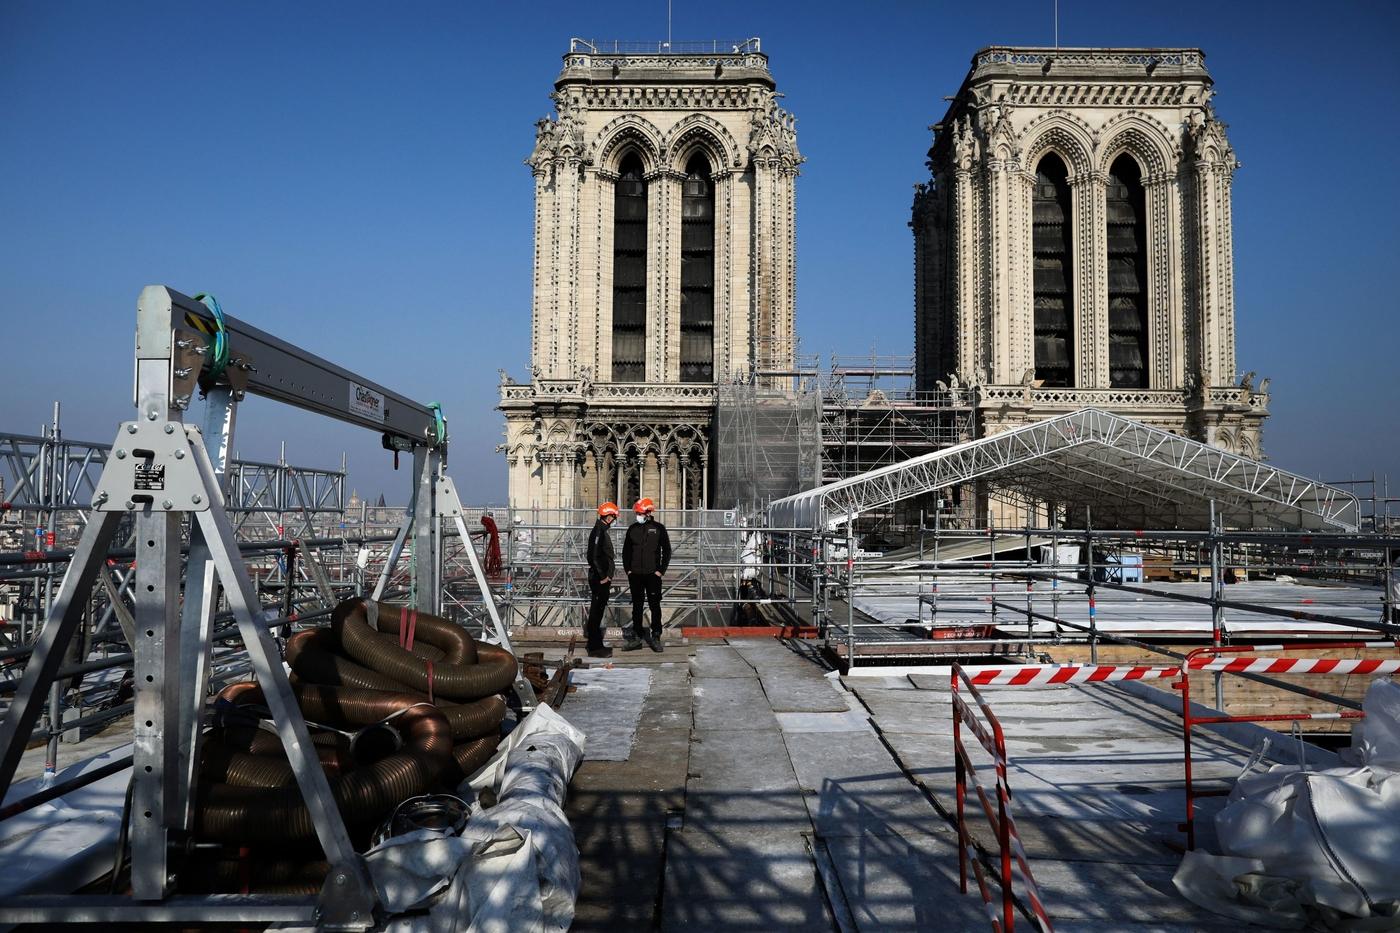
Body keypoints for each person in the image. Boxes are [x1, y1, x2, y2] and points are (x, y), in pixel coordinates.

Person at [622, 497, 670, 652]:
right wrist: (628, 570)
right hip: (635, 574)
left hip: (652, 575)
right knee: (637, 605)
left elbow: (667, 551)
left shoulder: (659, 528)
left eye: (640, 513)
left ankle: (656, 636)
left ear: (648, 512)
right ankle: (637, 636)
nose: (638, 515)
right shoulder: (632, 529)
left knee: (654, 605)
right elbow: (626, 551)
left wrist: (660, 571)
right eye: (637, 513)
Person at [584, 502, 619, 658]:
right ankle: (594, 646)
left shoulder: (602, 530)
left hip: (602, 578)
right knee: (596, 612)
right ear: (609, 516)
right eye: (613, 516)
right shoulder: (599, 531)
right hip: (600, 579)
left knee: (598, 611)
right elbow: (592, 557)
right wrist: (603, 576)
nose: (614, 519)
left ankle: (596, 644)